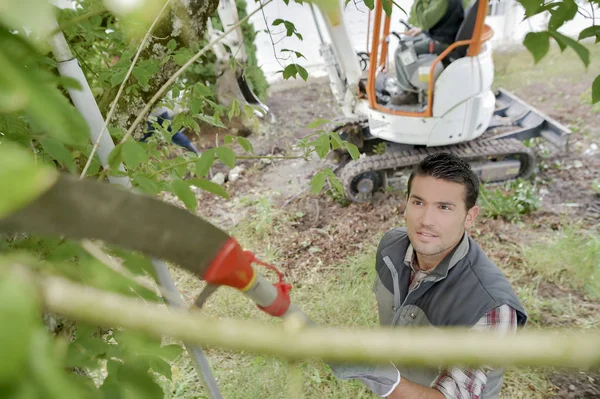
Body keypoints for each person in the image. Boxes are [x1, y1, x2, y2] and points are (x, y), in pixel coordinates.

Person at [334, 152, 527, 398]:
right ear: (405, 204)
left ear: (469, 217)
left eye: (444, 207)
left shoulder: (492, 307)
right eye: (418, 202)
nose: (426, 220)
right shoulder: (391, 249)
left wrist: (382, 376)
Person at [390, 0, 466, 105]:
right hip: (443, 37)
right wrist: (422, 30)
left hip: (441, 43)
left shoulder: (442, 2)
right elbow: (440, 21)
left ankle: (408, 92)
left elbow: (424, 20)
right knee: (407, 40)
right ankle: (405, 83)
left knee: (401, 51)